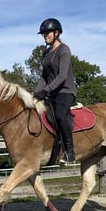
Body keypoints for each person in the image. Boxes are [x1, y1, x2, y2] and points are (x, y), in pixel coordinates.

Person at [32, 17, 77, 165]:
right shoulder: (46, 53)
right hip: (51, 93)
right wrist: (36, 93)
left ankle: (70, 151)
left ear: (56, 33)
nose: (45, 36)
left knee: (59, 115)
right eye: (44, 34)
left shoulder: (64, 50)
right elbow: (44, 77)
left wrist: (46, 90)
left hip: (65, 91)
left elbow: (62, 76)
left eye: (47, 33)